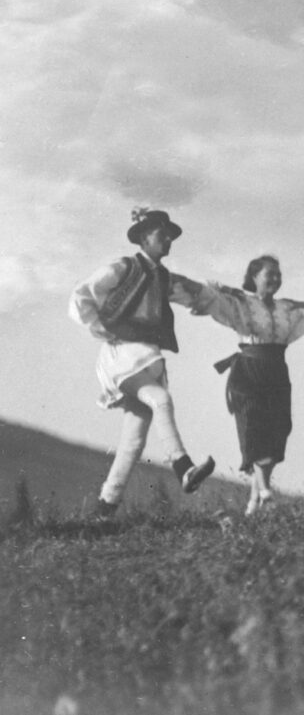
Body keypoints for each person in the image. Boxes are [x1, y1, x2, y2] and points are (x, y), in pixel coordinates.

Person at [68, 208, 216, 517]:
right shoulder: (124, 267)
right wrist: (102, 329)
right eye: (161, 234)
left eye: (170, 236)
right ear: (143, 237)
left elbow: (196, 296)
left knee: (134, 439)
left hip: (148, 356)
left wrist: (216, 298)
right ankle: (183, 467)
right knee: (160, 400)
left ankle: (104, 508)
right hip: (123, 355)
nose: (167, 241)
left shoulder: (164, 278)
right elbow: (81, 295)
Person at [176, 256, 304, 515]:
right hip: (248, 372)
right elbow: (208, 297)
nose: (275, 279)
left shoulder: (287, 308)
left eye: (278, 274)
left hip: (276, 371)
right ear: (254, 277)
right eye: (269, 274)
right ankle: (266, 493)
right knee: (254, 429)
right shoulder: (240, 302)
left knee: (277, 431)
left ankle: (253, 504)